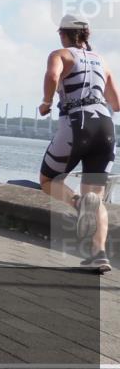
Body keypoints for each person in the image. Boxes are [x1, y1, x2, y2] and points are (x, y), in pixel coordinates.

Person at [38, 14, 119, 273]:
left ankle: (77, 203)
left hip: (77, 123)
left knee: (49, 180)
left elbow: (52, 76)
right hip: (106, 127)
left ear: (64, 34)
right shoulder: (101, 61)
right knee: (95, 197)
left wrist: (47, 102)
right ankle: (99, 254)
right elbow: (117, 103)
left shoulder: (60, 54)